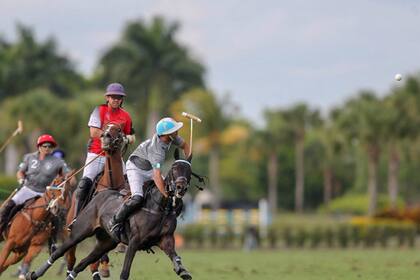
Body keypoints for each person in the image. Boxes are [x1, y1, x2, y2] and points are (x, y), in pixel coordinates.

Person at [109, 117, 190, 237]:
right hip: (136, 168)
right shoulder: (157, 150)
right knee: (137, 198)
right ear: (166, 134)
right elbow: (156, 176)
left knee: (170, 190)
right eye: (174, 130)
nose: (177, 132)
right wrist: (165, 194)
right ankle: (115, 221)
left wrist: (187, 163)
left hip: (150, 168)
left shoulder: (173, 138)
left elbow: (185, 146)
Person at [71, 83, 135, 226]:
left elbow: (130, 135)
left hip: (115, 157)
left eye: (119, 97)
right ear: (107, 97)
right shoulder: (99, 110)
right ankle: (77, 218)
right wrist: (110, 136)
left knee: (129, 183)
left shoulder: (126, 116)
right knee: (84, 183)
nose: (116, 100)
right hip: (96, 154)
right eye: (113, 97)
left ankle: (126, 221)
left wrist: (129, 138)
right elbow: (93, 133)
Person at [0, 134, 68, 236]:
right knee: (10, 205)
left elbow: (66, 176)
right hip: (28, 189)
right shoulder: (29, 157)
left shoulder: (58, 162)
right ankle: (2, 227)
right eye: (45, 146)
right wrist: (21, 179)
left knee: (55, 215)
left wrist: (66, 181)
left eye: (50, 146)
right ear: (39, 146)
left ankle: (52, 243)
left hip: (45, 193)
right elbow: (20, 172)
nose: (47, 148)